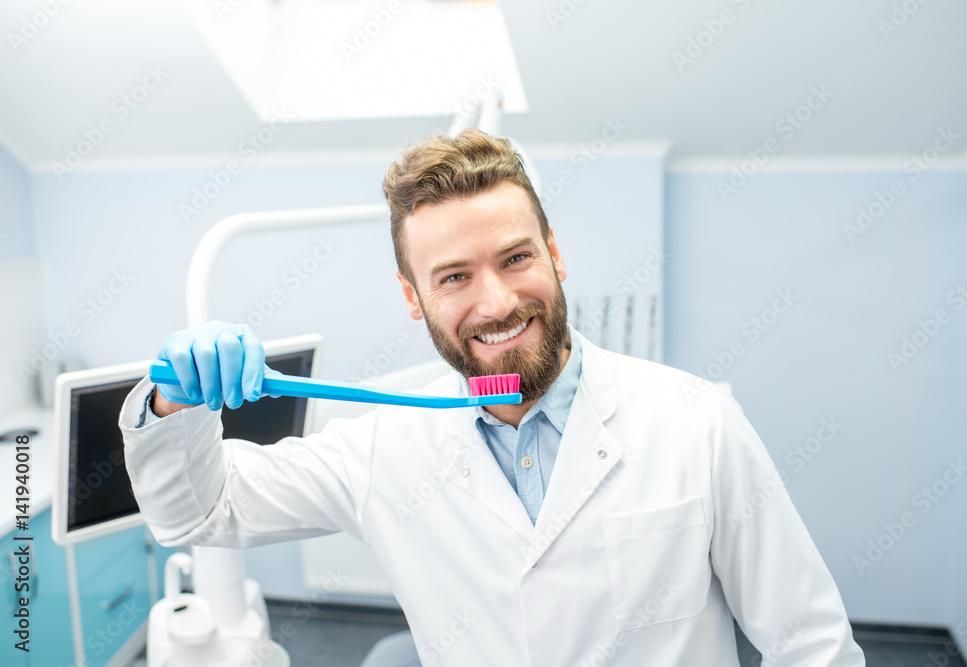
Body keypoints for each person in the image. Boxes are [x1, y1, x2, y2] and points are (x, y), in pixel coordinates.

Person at [120, 129, 866, 666]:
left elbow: (813, 644)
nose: (499, 300)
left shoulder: (697, 423)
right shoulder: (384, 446)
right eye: (454, 277)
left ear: (555, 250)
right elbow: (198, 511)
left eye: (516, 257)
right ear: (414, 298)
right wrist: (170, 402)